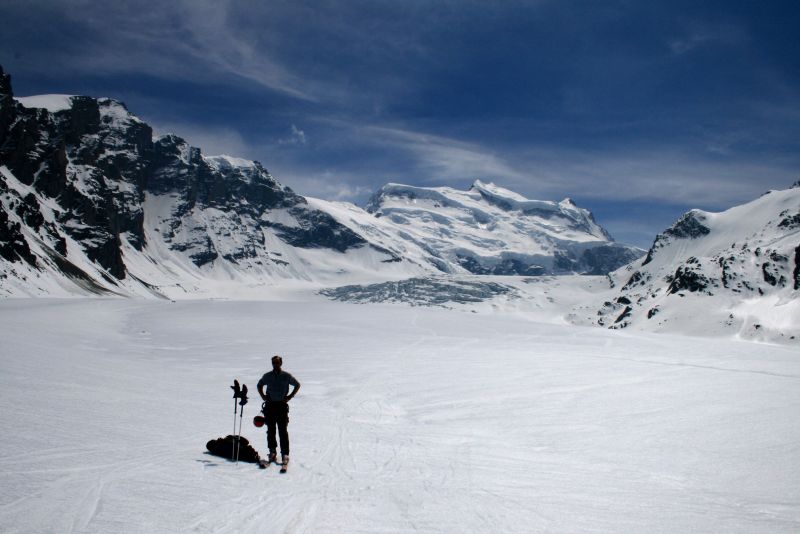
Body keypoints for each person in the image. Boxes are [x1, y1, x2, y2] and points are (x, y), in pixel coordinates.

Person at [257, 355, 300, 467]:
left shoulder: (286, 376)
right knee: (271, 430)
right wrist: (263, 396)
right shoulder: (267, 376)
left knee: (282, 431)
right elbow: (259, 385)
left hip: (281, 406)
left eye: (277, 362)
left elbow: (297, 385)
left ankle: (285, 454)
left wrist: (290, 397)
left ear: (281, 363)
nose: (275, 365)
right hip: (270, 406)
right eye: (273, 363)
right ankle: (272, 452)